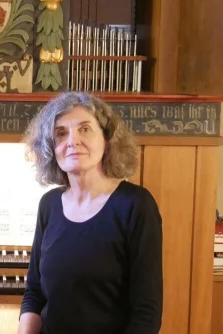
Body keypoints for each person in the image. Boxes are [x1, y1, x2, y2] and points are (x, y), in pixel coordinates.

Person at [17, 92, 163, 334]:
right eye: (61, 133)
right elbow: (34, 294)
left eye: (85, 129)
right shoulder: (49, 205)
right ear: (51, 148)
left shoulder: (136, 205)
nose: (72, 141)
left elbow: (147, 312)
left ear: (107, 140)